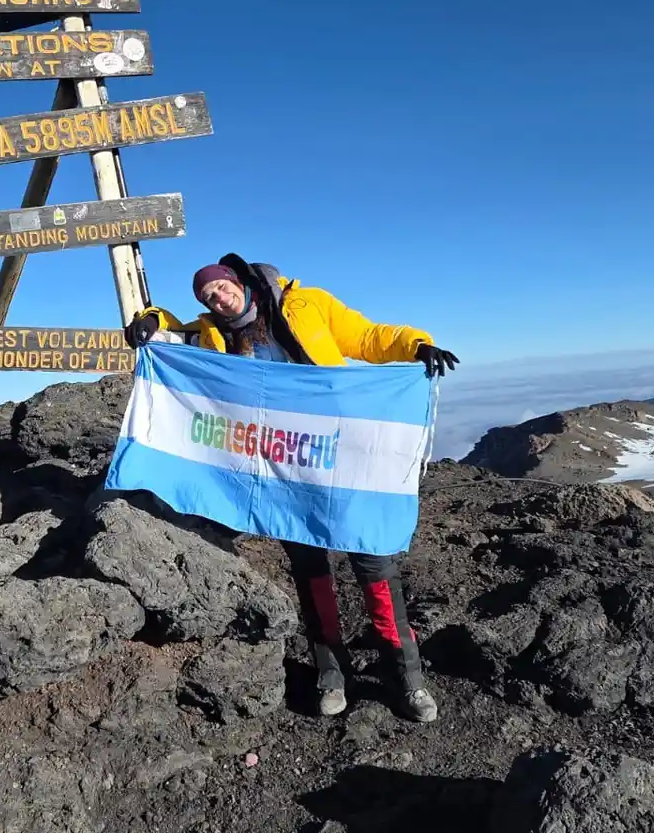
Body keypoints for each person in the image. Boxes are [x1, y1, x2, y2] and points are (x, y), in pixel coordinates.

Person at [124, 253, 459, 723]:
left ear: (237, 281)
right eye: (207, 296)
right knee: (309, 569)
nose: (218, 298)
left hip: (339, 452)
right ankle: (331, 673)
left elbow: (365, 336)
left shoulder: (307, 303)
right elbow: (168, 332)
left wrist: (417, 346)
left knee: (374, 561)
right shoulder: (213, 334)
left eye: (220, 287)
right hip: (282, 464)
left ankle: (408, 679)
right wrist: (147, 320)